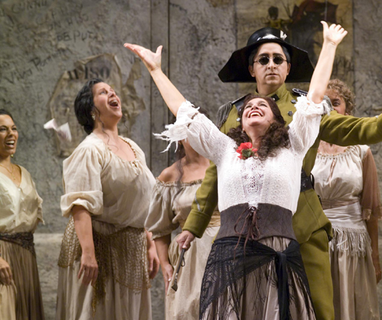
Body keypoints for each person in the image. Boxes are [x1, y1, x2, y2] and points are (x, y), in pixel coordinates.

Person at [175, 25, 382, 319]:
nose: (271, 65)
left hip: (303, 221)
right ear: (251, 68)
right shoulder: (237, 112)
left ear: (288, 67)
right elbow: (217, 171)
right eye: (263, 59)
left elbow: (353, 128)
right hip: (250, 229)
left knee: (318, 309)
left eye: (278, 59)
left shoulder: (305, 105)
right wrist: (195, 223)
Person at [126, 21, 347, 319]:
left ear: (278, 120)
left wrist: (330, 45)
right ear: (239, 122)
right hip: (231, 255)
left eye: (263, 106)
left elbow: (315, 97)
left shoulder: (293, 145)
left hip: (278, 253)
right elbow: (183, 110)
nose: (253, 107)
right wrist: (155, 70)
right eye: (248, 107)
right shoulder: (224, 149)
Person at [55, 79, 159, 320]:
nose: (113, 94)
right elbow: (80, 204)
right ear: (92, 110)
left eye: (113, 91)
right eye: (104, 92)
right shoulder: (89, 149)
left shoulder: (133, 147)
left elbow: (142, 200)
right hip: (98, 246)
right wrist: (89, 254)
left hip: (129, 248)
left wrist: (150, 243)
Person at [312, 79, 382, 319]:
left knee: (352, 304)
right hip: (316, 240)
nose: (328, 108)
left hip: (353, 242)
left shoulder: (361, 150)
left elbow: (371, 209)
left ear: (347, 110)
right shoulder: (307, 149)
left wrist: (375, 254)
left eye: (335, 103)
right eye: (322, 103)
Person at [145, 134, 220, 318]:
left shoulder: (221, 165)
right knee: (189, 308)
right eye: (190, 130)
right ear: (179, 137)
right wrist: (165, 265)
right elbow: (160, 228)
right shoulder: (170, 175)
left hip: (222, 243)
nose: (196, 134)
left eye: (199, 128)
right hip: (189, 252)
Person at [0, 109, 45, 319]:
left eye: (14, 128)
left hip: (26, 255)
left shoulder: (24, 172)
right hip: (3, 258)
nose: (11, 134)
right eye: (2, 129)